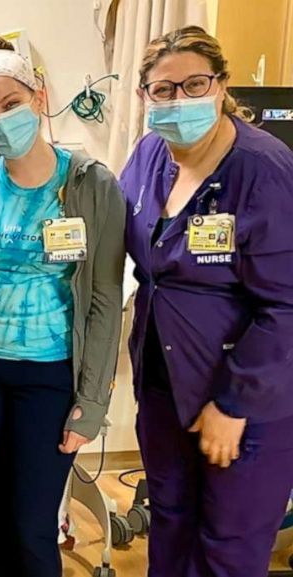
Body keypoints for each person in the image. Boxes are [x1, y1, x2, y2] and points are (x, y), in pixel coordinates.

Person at [0, 36, 125, 577]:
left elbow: (106, 298)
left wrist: (90, 402)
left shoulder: (89, 185)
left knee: (33, 523)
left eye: (10, 104)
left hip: (48, 374)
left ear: (38, 97)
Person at [120, 26, 293, 577]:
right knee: (169, 521)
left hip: (243, 399)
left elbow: (286, 307)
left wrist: (234, 404)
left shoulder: (262, 170)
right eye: (162, 89)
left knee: (228, 546)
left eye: (193, 84)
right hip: (163, 379)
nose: (178, 100)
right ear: (144, 96)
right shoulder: (149, 155)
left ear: (220, 86)